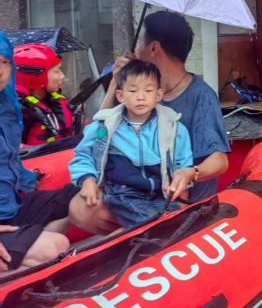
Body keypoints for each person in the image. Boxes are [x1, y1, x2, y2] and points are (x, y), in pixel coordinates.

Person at [70, 12, 229, 235]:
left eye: (138, 44)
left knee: (147, 222)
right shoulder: (137, 93)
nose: (133, 52)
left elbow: (220, 160)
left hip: (179, 196)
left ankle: (147, 237)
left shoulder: (201, 96)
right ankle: (141, 235)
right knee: (80, 209)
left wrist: (188, 174)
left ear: (154, 48)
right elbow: (102, 128)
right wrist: (117, 81)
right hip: (136, 190)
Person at [69, 60, 193, 230]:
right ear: (120, 95)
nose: (140, 97)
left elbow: (183, 164)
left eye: (148, 90)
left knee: (179, 223)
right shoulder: (104, 126)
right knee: (155, 226)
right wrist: (87, 180)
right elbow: (84, 155)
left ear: (158, 95)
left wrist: (180, 186)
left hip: (160, 192)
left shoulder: (174, 127)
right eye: (133, 91)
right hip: (123, 191)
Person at [0, 32, 75, 274]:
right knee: (55, 246)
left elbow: (11, 162)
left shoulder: (7, 107)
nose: (1, 70)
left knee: (80, 198)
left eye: (5, 62)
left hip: (10, 206)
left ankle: (25, 246)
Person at [14, 44, 75, 146]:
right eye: (57, 71)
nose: (62, 76)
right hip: (39, 156)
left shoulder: (55, 101)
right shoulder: (15, 111)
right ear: (36, 77)